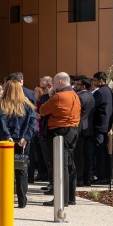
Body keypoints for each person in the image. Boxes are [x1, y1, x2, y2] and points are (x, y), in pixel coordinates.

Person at [0, 78, 38, 208]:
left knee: (5, 171)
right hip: (22, 142)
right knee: (21, 171)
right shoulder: (28, 106)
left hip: (6, 142)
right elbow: (33, 125)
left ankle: (6, 199)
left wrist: (7, 136)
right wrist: (25, 138)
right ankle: (22, 200)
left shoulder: (1, 105)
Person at [38, 72, 81, 206]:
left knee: (60, 165)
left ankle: (61, 199)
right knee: (69, 164)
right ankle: (70, 197)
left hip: (59, 132)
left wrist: (50, 96)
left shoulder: (59, 96)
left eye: (54, 84)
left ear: (60, 83)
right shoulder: (75, 95)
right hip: (72, 130)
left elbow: (43, 110)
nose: (53, 86)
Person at [91, 72, 113, 183]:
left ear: (101, 81)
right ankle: (105, 175)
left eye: (95, 80)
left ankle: (102, 176)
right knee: (103, 150)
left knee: (100, 151)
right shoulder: (108, 91)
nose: (94, 83)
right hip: (105, 124)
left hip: (99, 124)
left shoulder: (100, 92)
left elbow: (93, 106)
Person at [73, 76, 95, 186]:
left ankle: (80, 178)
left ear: (83, 86)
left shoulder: (79, 97)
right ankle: (87, 178)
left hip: (79, 128)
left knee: (78, 154)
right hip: (88, 128)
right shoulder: (91, 96)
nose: (75, 86)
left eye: (77, 84)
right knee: (87, 154)